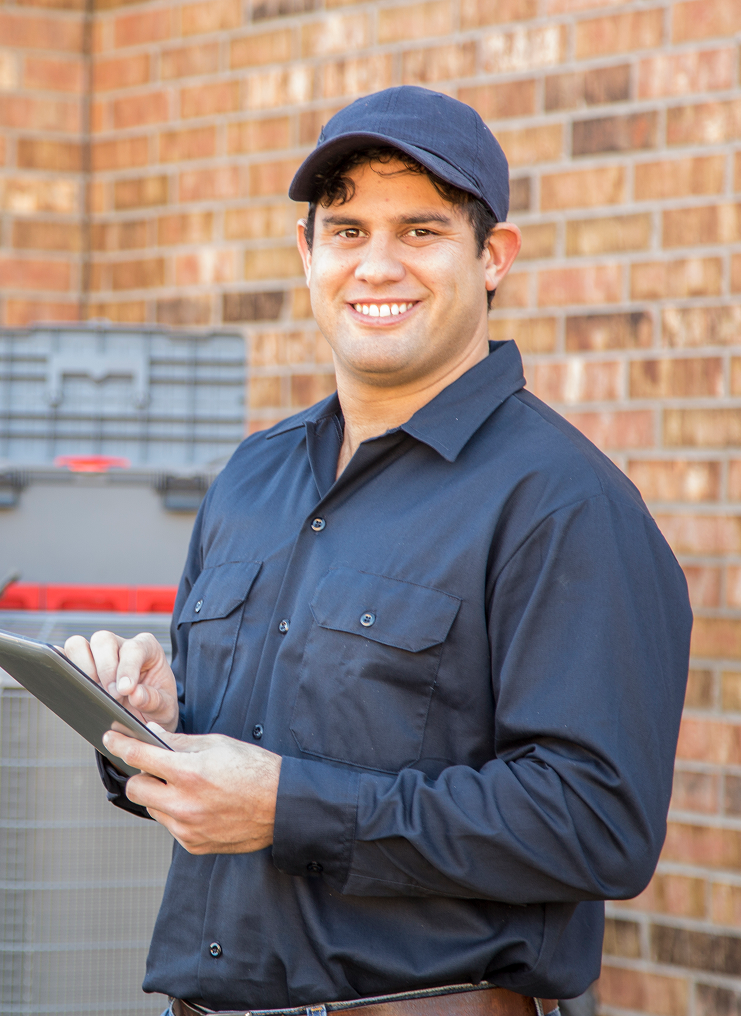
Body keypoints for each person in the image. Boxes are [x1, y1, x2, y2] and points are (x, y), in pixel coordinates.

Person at [64, 85, 692, 1016]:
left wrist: (287, 809)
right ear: (308, 255)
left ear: (493, 258)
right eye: (348, 230)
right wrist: (154, 726)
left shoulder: (563, 504)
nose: (378, 265)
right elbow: (257, 747)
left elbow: (597, 823)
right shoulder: (253, 478)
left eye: (421, 231)